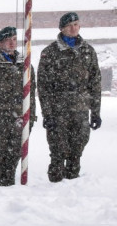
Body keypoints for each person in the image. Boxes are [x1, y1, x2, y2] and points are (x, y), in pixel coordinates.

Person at [38, 12, 101, 182]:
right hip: (58, 110)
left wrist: (95, 112)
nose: (74, 28)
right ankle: (55, 185)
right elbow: (43, 87)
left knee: (77, 149)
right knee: (58, 150)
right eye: (69, 25)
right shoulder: (50, 52)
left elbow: (95, 83)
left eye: (76, 24)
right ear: (62, 29)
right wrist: (47, 113)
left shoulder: (88, 51)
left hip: (81, 109)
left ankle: (73, 184)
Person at [0, 27, 37, 186]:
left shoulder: (26, 66)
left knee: (14, 156)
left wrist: (30, 119)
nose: (12, 43)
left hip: (17, 120)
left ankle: (9, 188)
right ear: (0, 43)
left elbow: (31, 96)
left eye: (14, 39)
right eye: (7, 40)